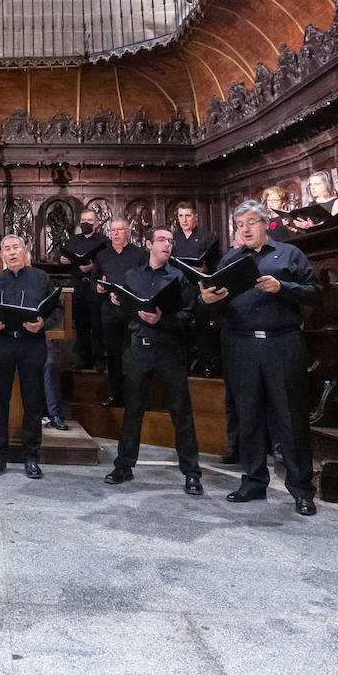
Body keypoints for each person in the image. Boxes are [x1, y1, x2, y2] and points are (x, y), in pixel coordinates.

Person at [199, 199, 320, 516]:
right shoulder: (230, 258)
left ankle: (302, 490)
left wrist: (282, 286)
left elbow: (315, 293)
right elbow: (217, 302)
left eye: (251, 222)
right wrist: (209, 298)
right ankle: (253, 482)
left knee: (290, 418)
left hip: (282, 342)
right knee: (248, 416)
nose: (246, 229)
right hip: (241, 344)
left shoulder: (289, 254)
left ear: (265, 223)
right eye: (240, 225)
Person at [104, 227, 201, 493]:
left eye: (170, 241)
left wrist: (163, 319)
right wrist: (117, 299)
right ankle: (124, 465)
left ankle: (192, 473)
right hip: (138, 351)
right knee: (133, 411)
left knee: (181, 413)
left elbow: (189, 317)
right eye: (161, 240)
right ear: (148, 244)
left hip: (169, 350)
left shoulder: (178, 278)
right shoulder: (132, 276)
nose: (167, 245)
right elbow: (126, 309)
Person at [0, 235, 63, 479]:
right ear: (1, 256)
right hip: (1, 345)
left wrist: (43, 323)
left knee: (33, 402)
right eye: (6, 249)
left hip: (31, 344)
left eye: (16, 248)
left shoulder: (41, 278)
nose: (12, 253)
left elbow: (58, 310)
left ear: (24, 251)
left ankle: (32, 457)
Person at [92, 218, 149, 407]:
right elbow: (94, 279)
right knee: (114, 355)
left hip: (133, 312)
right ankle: (116, 394)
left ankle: (137, 397)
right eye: (112, 230)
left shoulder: (140, 254)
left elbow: (146, 280)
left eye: (119, 230)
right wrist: (99, 288)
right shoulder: (102, 255)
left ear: (128, 231)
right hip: (110, 311)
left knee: (135, 355)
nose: (115, 234)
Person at [170, 201, 223, 381]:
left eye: (187, 216)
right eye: (180, 216)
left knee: (203, 330)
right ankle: (182, 366)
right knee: (179, 329)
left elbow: (217, 262)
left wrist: (206, 268)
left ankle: (207, 365)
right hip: (179, 290)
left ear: (196, 217)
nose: (184, 220)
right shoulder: (173, 238)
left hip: (201, 289)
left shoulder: (208, 237)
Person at [59, 209, 110, 370]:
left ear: (96, 223)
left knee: (97, 323)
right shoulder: (73, 240)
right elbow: (64, 261)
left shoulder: (104, 241)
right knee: (80, 324)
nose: (85, 223)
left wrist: (93, 267)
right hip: (78, 285)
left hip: (94, 286)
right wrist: (63, 260)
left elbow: (109, 263)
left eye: (89, 220)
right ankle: (84, 358)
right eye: (83, 220)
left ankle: (100, 358)